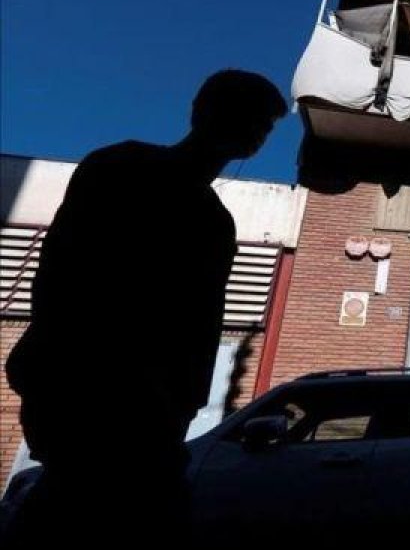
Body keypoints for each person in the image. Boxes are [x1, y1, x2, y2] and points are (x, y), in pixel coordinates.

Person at [3, 70, 287, 547]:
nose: (257, 132)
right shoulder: (122, 169)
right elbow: (64, 272)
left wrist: (181, 403)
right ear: (201, 110)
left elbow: (200, 320)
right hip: (90, 393)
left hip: (151, 415)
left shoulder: (215, 221)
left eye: (263, 125)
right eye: (249, 117)